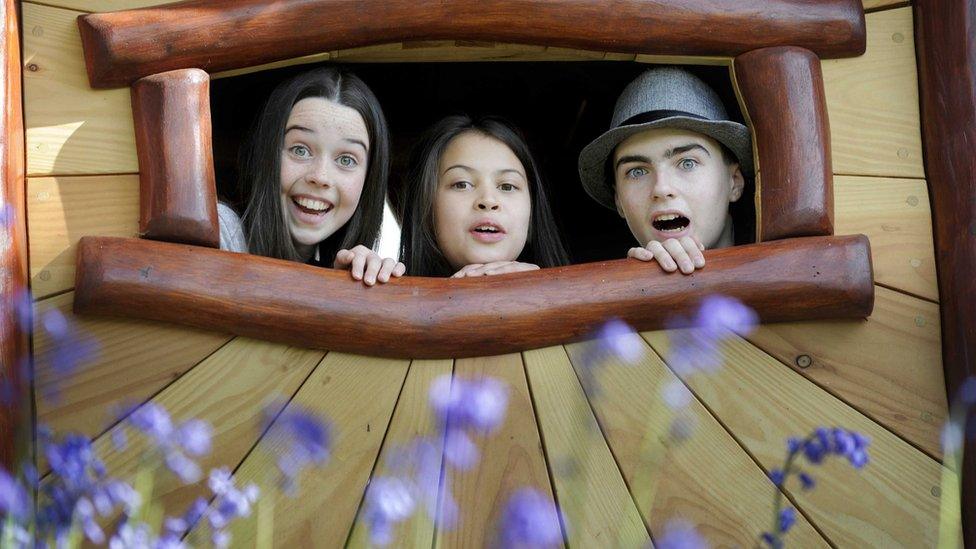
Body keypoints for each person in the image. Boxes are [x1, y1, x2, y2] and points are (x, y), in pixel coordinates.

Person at [219, 67, 404, 286]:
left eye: (346, 160)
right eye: (300, 150)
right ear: (267, 155)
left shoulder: (344, 265)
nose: (320, 176)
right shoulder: (220, 231)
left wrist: (350, 291)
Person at [577, 67, 751, 274]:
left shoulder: (790, 267)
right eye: (637, 172)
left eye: (687, 163)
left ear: (734, 180)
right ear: (618, 200)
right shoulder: (604, 294)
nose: (661, 188)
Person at [400, 115, 569, 277]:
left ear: (531, 217)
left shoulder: (579, 303)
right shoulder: (386, 298)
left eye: (507, 186)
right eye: (462, 184)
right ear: (426, 209)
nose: (488, 200)